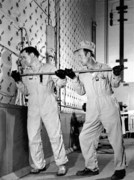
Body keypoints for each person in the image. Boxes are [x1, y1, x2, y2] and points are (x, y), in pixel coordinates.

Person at [65, 41, 126, 180]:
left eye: (81, 55)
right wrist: (73, 78)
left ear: (89, 53)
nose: (79, 59)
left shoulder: (104, 68)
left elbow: (115, 84)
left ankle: (120, 169)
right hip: (92, 105)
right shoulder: (82, 72)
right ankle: (92, 167)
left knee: (115, 138)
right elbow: (81, 91)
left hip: (108, 104)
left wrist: (116, 74)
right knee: (85, 137)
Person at [11, 46, 68, 176]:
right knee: (33, 137)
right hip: (33, 105)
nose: (22, 60)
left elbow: (60, 84)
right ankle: (38, 164)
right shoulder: (26, 72)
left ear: (33, 55)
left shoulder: (49, 68)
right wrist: (18, 81)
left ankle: (61, 164)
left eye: (24, 57)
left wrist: (62, 77)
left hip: (48, 103)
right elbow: (25, 91)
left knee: (55, 135)